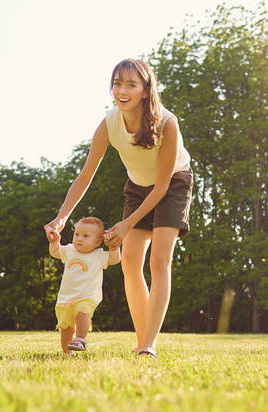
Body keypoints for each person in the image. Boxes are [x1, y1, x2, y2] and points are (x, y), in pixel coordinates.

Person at [44, 58, 193, 358]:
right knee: (129, 262)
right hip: (137, 187)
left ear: (145, 90)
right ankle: (142, 341)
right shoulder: (110, 123)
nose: (122, 90)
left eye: (131, 84)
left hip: (173, 183)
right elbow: (85, 175)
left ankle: (149, 345)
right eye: (117, 83)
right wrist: (61, 218)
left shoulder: (168, 124)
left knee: (159, 261)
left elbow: (162, 187)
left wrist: (126, 225)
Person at [47, 217, 121, 355]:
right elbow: (55, 252)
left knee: (82, 313)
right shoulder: (69, 250)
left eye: (86, 236)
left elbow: (114, 259)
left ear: (98, 242)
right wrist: (54, 241)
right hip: (66, 298)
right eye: (77, 234)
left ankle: (80, 339)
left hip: (88, 296)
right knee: (66, 328)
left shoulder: (98, 255)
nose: (79, 238)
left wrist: (114, 247)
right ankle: (66, 353)